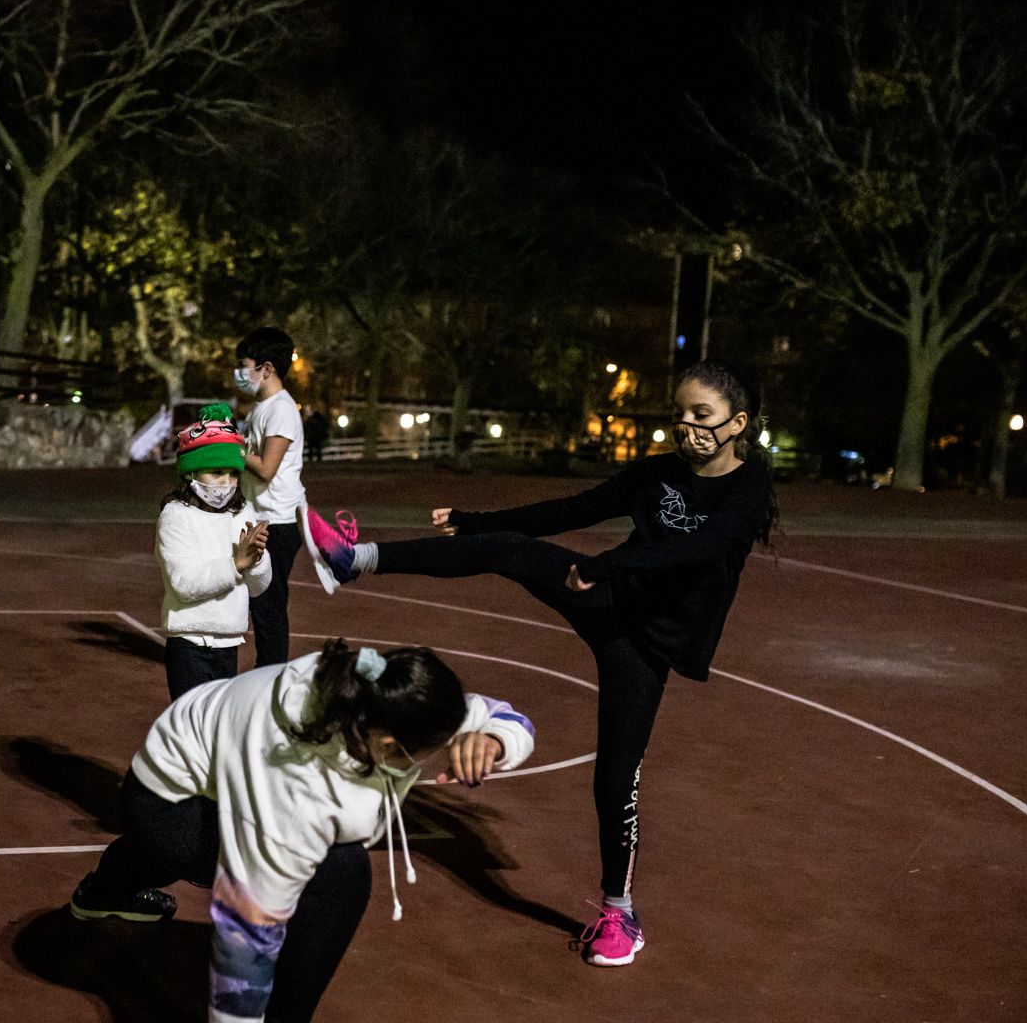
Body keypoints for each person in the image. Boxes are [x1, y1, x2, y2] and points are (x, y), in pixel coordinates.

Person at [302, 360, 777, 968]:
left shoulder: (746, 488)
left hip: (648, 643)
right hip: (607, 597)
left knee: (615, 777)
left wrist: (608, 565)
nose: (687, 426)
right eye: (680, 413)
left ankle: (619, 912)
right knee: (507, 550)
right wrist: (480, 524)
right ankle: (354, 558)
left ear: (737, 424)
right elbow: (571, 511)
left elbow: (700, 548)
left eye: (702, 416)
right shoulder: (658, 473)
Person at [67, 640, 535, 1023]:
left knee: (169, 853)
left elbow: (509, 717)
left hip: (201, 760)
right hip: (172, 798)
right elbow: (245, 931)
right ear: (385, 744)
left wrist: (496, 739)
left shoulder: (374, 686)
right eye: (426, 751)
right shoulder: (292, 789)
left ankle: (104, 891)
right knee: (340, 873)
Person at [157, 403, 272, 700]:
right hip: (188, 644)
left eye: (234, 474)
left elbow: (258, 588)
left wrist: (257, 560)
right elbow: (184, 583)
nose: (226, 483)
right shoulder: (175, 515)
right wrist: (237, 563)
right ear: (191, 472)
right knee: (193, 732)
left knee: (217, 732)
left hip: (229, 644)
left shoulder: (241, 512)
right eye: (217, 472)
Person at [232, 327, 308, 666]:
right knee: (250, 600)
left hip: (276, 522)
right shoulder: (261, 407)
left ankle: (270, 675)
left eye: (243, 364)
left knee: (268, 606)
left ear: (266, 368)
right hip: (258, 516)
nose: (239, 372)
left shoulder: (281, 409)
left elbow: (265, 468)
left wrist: (227, 446)